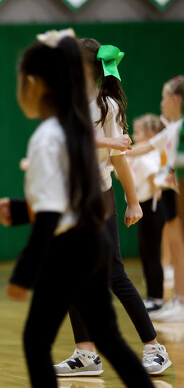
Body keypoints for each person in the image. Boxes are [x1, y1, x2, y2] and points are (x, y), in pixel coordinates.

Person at [0, 28, 154, 388]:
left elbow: (53, 211)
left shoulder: (53, 134)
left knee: (36, 340)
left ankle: (151, 345)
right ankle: (92, 357)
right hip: (89, 235)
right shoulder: (65, 127)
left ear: (36, 86)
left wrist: (23, 274)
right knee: (108, 337)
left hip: (73, 244)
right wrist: (20, 211)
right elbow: (65, 196)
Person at [53, 38, 170, 376]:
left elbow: (119, 159)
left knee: (113, 273)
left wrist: (133, 201)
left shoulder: (107, 106)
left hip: (98, 198)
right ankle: (86, 355)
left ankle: (155, 348)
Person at [128, 75, 184, 322]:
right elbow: (146, 147)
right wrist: (117, 149)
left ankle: (180, 301)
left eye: (164, 98)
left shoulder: (180, 128)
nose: (161, 103)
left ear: (175, 99)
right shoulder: (171, 129)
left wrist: (171, 170)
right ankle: (178, 300)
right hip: (170, 192)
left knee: (179, 247)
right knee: (176, 248)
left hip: (177, 190)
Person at [128, 114, 166, 311]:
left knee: (152, 254)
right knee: (146, 252)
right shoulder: (139, 156)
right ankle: (152, 296)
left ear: (151, 135)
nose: (134, 136)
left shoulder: (147, 158)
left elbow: (154, 180)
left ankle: (157, 298)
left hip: (152, 207)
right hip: (145, 207)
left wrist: (155, 199)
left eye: (137, 132)